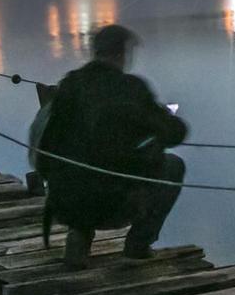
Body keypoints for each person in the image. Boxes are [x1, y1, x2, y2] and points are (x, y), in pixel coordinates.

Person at [32, 24, 187, 264]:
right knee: (173, 166)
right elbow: (175, 133)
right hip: (111, 208)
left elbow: (47, 148)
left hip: (66, 205)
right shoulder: (131, 88)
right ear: (122, 54)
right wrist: (158, 122)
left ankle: (80, 235)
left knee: (88, 167)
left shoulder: (70, 85)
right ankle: (138, 244)